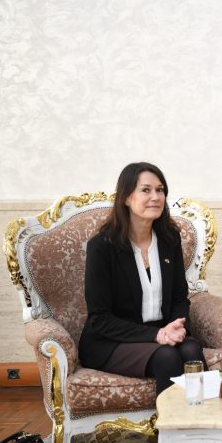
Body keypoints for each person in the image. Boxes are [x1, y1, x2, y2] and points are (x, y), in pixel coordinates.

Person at [78, 162, 207, 395]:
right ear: (127, 197)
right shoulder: (102, 247)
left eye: (160, 190)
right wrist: (157, 335)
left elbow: (179, 297)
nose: (155, 197)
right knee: (167, 356)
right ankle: (168, 420)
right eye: (146, 190)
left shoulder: (169, 239)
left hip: (160, 330)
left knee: (192, 351)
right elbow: (100, 318)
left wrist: (176, 327)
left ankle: (204, 416)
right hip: (111, 341)